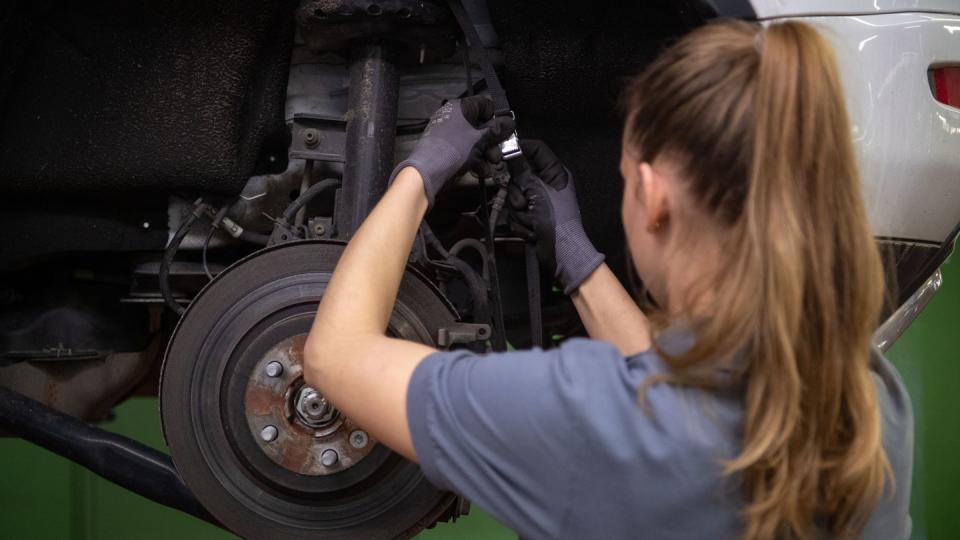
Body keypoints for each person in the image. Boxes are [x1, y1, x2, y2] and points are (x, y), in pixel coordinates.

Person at [303, 19, 912, 539]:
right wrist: (576, 257)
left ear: (651, 197)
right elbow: (670, 399)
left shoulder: (582, 419)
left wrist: (419, 176)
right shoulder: (868, 404)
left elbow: (334, 356)